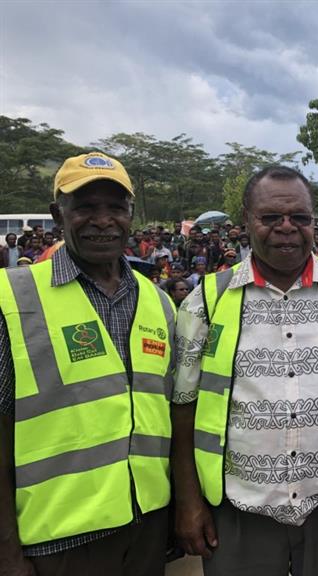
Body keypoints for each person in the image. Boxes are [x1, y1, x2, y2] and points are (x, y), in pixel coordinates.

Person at [171, 165, 318, 576]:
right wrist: (189, 502)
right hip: (240, 511)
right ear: (247, 222)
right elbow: (182, 406)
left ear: (315, 222)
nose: (287, 228)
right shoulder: (206, 301)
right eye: (271, 218)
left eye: (300, 218)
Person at [0, 152, 176, 576]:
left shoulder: (160, 303)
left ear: (131, 215)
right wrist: (7, 553)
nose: (102, 220)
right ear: (56, 215)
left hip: (147, 530)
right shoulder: (12, 298)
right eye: (84, 207)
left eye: (115, 207)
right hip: (56, 541)